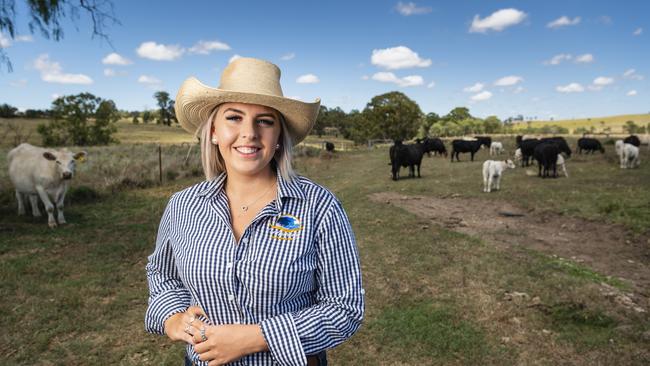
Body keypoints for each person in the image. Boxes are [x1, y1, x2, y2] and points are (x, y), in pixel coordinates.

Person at [145, 57, 365, 366]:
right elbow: (162, 274)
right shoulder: (183, 206)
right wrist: (171, 316)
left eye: (264, 121)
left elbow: (345, 308)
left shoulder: (319, 207)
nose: (249, 133)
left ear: (278, 137)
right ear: (213, 131)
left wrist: (256, 337)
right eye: (234, 118)